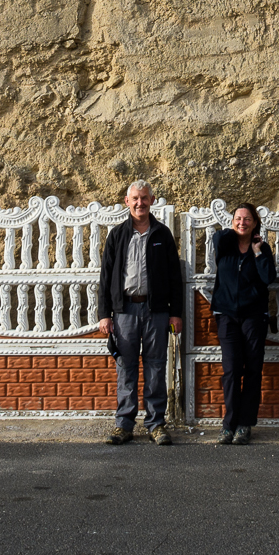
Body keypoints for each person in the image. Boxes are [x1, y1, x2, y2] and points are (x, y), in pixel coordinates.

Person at [95, 180, 184, 445]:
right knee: (126, 368)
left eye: (144, 198)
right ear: (127, 201)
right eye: (135, 198)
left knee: (156, 367)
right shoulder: (118, 235)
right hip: (125, 311)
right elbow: (106, 277)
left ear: (152, 200)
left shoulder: (162, 234)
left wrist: (175, 313)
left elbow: (174, 278)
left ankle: (156, 424)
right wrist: (105, 314)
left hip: (156, 310)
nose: (139, 203)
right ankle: (124, 424)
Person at [209, 202, 275, 444]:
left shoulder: (263, 249)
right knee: (232, 370)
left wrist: (257, 250)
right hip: (227, 315)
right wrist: (234, 230)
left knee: (253, 370)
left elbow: (268, 277)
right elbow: (218, 236)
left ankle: (245, 425)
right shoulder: (225, 244)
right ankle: (229, 424)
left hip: (254, 317)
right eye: (238, 218)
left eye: (248, 219)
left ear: (255, 223)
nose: (242, 222)